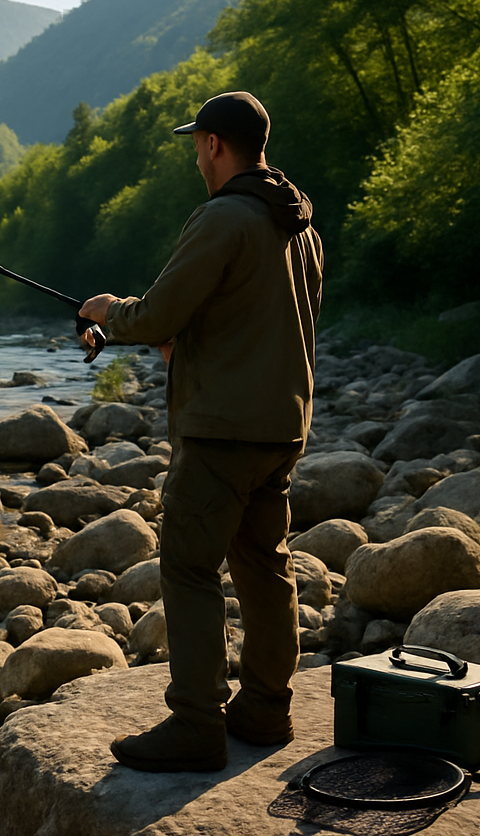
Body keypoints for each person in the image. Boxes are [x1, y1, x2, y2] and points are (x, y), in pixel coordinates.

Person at [77, 90, 324, 772]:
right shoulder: (301, 228)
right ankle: (267, 709)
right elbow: (256, 324)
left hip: (221, 432)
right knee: (264, 565)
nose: (196, 156)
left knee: (188, 567)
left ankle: (195, 726)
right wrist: (185, 347)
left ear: (214, 144)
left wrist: (108, 311)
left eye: (196, 145)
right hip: (282, 428)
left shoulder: (223, 218)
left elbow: (155, 314)